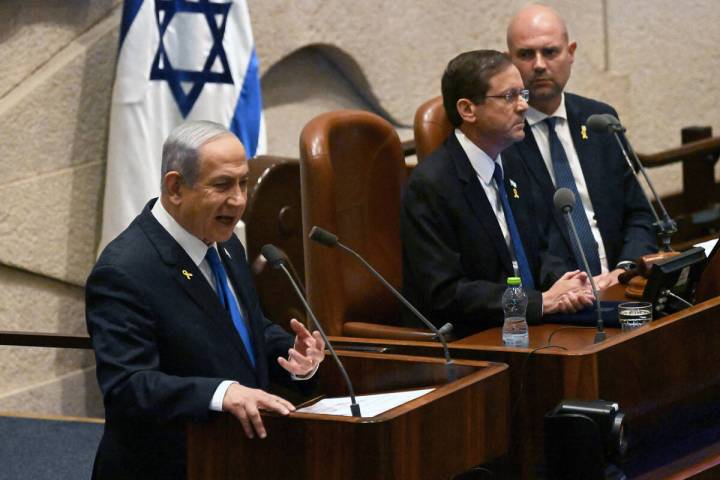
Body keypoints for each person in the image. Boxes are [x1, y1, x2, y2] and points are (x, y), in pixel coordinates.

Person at [86, 121, 325, 479]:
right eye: (222, 185)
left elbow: (241, 328)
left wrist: (293, 356)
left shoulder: (225, 243)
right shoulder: (124, 271)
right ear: (175, 187)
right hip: (167, 467)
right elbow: (128, 387)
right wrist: (221, 393)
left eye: (243, 182)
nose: (240, 200)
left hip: (234, 458)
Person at [401, 50, 594, 338]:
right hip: (475, 338)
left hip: (534, 325)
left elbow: (544, 243)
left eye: (523, 94)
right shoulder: (431, 185)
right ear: (468, 110)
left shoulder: (515, 159)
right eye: (509, 97)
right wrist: (540, 302)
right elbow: (446, 292)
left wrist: (565, 286)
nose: (523, 107)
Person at [506, 4, 657, 289]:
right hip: (558, 297)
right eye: (526, 54)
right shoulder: (502, 138)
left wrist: (625, 270)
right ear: (508, 61)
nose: (539, 64)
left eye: (550, 52)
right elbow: (517, 240)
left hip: (623, 285)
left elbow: (638, 213)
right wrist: (575, 287)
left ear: (570, 52)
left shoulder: (600, 120)